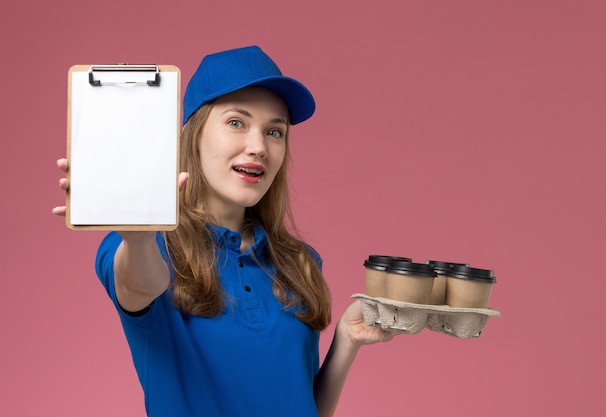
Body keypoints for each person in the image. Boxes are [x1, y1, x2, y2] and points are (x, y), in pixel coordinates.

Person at [53, 45, 393, 417]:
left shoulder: (301, 263)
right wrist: (138, 234)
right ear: (193, 135)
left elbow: (304, 406)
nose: (259, 146)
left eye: (274, 131)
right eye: (236, 123)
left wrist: (346, 339)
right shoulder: (141, 247)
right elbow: (140, 283)